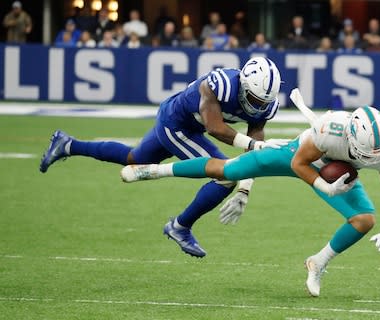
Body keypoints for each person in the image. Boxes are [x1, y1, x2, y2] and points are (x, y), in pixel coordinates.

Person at [121, 104, 380, 297]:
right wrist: (324, 186)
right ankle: (155, 170)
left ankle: (317, 263)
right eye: (363, 153)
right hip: (300, 157)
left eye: (373, 156)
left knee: (365, 219)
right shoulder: (330, 130)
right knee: (229, 170)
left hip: (338, 176)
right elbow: (299, 163)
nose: (368, 160)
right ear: (349, 135)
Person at [39, 57, 283, 258]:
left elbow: (254, 151)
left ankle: (68, 145)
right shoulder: (219, 84)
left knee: (134, 159)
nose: (258, 107)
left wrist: (245, 189)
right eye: (254, 99)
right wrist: (251, 147)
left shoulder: (265, 105)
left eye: (264, 102)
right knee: (224, 175)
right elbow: (215, 127)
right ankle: (180, 226)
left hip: (186, 124)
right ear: (243, 85)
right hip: (176, 123)